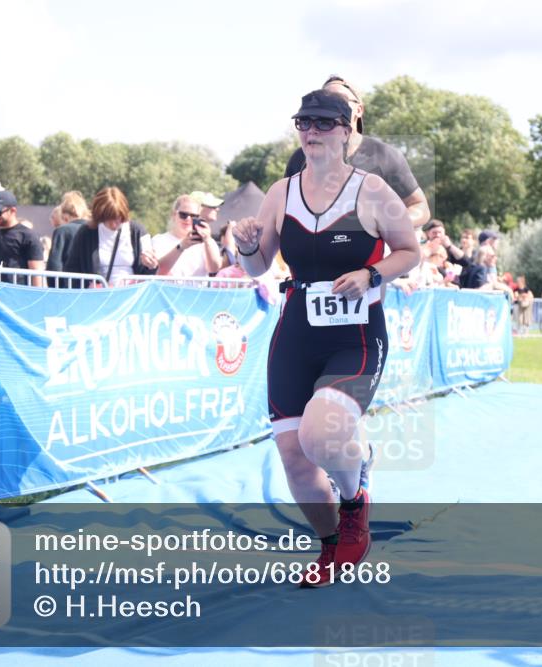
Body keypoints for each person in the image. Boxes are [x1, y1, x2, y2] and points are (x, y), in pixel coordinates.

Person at [233, 89, 418, 587]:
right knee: (294, 458)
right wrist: (247, 247)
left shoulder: (373, 190)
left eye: (322, 123)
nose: (311, 131)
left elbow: (410, 252)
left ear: (345, 130)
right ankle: (331, 544)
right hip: (296, 332)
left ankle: (354, 499)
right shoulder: (281, 193)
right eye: (303, 122)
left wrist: (371, 274)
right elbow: (257, 266)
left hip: (355, 336)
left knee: (320, 436)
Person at [284, 75, 431, 228]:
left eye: (340, 99)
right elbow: (284, 209)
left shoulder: (385, 155)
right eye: (326, 100)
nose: (331, 105)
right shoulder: (300, 157)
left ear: (359, 109)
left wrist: (385, 226)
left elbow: (419, 206)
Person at [64, 187, 156, 286]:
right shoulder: (86, 232)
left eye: (118, 218)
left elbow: (147, 274)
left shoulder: (137, 231)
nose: (113, 224)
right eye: (108, 219)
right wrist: (87, 286)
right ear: (100, 215)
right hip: (100, 294)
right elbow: (71, 269)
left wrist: (151, 266)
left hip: (131, 292)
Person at [148, 195, 222, 277]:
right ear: (174, 215)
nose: (188, 219)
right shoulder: (158, 240)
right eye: (183, 215)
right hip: (166, 285)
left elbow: (214, 270)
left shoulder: (207, 242)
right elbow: (158, 271)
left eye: (193, 216)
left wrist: (207, 241)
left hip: (197, 286)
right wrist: (181, 247)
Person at [0, 190, 45, 287]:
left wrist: (36, 294)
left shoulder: (28, 236)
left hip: (20, 292)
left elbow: (36, 272)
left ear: (12, 211)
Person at [46, 191, 92, 284]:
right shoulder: (94, 230)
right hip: (93, 286)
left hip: (68, 287)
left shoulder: (62, 231)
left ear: (64, 215)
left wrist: (56, 287)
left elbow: (54, 265)